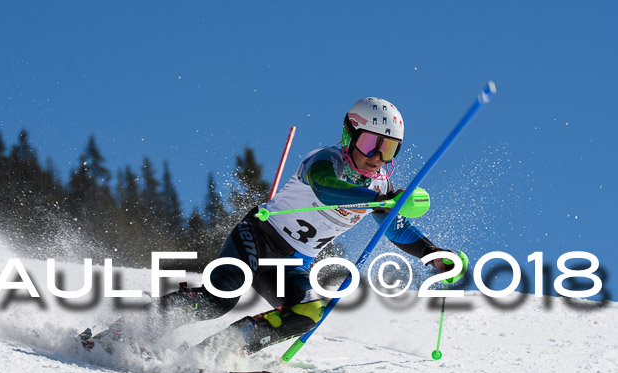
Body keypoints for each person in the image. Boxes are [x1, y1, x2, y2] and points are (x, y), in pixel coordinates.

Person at [81, 97, 466, 354]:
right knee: (223, 294)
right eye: (370, 144)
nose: (376, 157)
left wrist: (433, 256)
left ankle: (217, 353)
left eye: (388, 149)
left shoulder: (378, 186)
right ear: (350, 135)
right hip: (259, 237)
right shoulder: (325, 161)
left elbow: (395, 229)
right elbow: (327, 192)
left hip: (291, 264)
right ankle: (123, 334)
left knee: (309, 310)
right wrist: (381, 200)